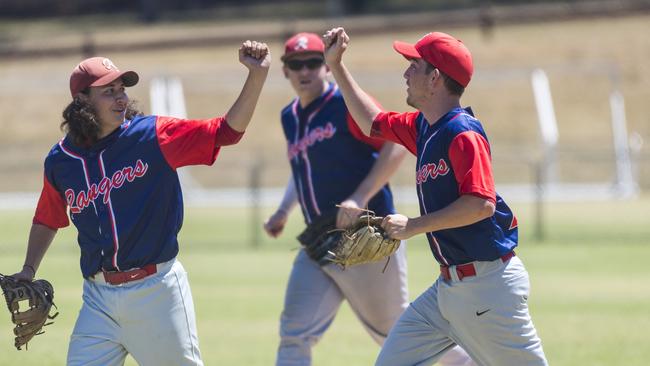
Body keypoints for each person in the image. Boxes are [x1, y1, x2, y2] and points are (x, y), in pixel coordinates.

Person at [11, 41, 271, 366]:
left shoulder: (154, 136)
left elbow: (227, 131)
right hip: (98, 299)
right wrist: (28, 269)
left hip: (157, 293)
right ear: (82, 101)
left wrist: (257, 77)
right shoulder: (62, 160)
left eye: (122, 88)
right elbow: (48, 217)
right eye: (108, 91)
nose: (121, 97)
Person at [322, 27, 548, 366]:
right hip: (447, 291)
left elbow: (481, 204)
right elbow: (371, 122)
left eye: (414, 65)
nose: (406, 72)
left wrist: (413, 225)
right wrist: (336, 65)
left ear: (435, 78)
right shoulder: (424, 127)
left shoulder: (462, 133)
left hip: (487, 288)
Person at [263, 32, 476, 366]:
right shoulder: (290, 116)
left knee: (393, 331)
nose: (305, 71)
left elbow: (394, 144)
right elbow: (302, 167)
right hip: (319, 240)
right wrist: (282, 210)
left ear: (326, 67)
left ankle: (470, 363)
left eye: (313, 62)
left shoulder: (342, 104)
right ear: (284, 70)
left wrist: (360, 195)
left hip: (366, 234)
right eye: (296, 64)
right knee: (294, 330)